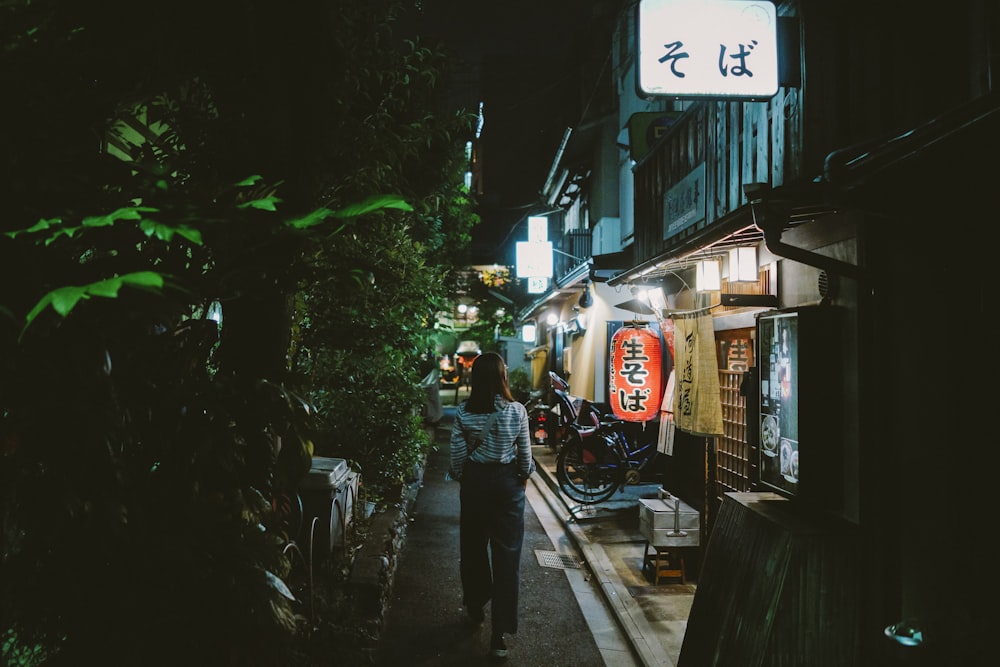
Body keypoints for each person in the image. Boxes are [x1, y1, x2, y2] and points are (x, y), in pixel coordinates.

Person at [448, 352, 534, 662]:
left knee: (472, 548)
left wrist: (464, 478)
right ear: (502, 377)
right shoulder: (517, 411)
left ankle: (475, 605)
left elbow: (457, 457)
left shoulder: (463, 413)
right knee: (507, 557)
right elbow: (525, 457)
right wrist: (522, 479)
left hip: (475, 486)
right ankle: (499, 636)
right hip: (507, 488)